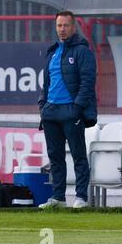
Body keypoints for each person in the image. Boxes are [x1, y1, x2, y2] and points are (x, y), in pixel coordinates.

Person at [38, 11, 97, 209]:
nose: (62, 30)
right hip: (51, 112)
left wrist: (77, 107)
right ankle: (58, 197)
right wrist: (42, 105)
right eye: (59, 26)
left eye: (66, 26)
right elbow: (46, 83)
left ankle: (81, 197)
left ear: (73, 27)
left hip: (71, 111)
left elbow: (88, 82)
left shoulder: (82, 51)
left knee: (78, 155)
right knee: (55, 157)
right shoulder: (52, 51)